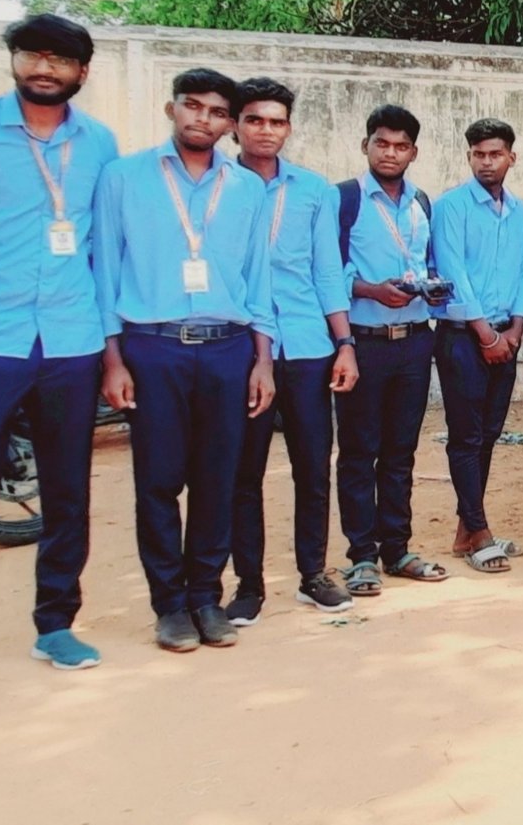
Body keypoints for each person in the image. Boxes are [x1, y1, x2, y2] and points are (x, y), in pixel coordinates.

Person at [0, 14, 117, 695]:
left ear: (81, 73)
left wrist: (110, 354)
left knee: (68, 490)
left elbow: (101, 251)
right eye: (33, 54)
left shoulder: (99, 143)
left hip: (71, 340)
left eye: (60, 59)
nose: (44, 67)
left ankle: (56, 623)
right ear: (14, 60)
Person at [92, 67, 276, 653]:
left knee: (218, 480)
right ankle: (169, 605)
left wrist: (262, 359)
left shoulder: (246, 188)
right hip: (153, 346)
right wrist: (112, 359)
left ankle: (205, 598)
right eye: (192, 106)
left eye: (217, 112)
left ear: (230, 124)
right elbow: (105, 270)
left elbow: (258, 279)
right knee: (159, 479)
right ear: (172, 109)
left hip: (228, 348)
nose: (204, 118)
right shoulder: (123, 178)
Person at [224, 77, 358, 626]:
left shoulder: (314, 190)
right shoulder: (219, 184)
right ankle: (249, 585)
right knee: (244, 471)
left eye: (276, 121)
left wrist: (344, 344)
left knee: (313, 466)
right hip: (240, 349)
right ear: (235, 125)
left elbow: (327, 271)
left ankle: (313, 574)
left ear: (289, 128)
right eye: (254, 120)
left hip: (306, 346)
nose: (266, 130)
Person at [335, 105, 449, 596]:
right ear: (366, 145)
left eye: (401, 146)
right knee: (359, 452)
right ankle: (362, 555)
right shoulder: (345, 199)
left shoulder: (421, 201)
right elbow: (329, 269)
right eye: (382, 143)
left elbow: (424, 262)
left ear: (413, 153)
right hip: (363, 342)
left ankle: (397, 548)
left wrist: (431, 287)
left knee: (401, 451)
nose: (390, 153)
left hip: (414, 341)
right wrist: (369, 290)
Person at [432, 118, 523, 574]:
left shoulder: (519, 212)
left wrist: (515, 330)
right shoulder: (451, 207)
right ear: (469, 156)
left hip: (505, 338)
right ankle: (480, 531)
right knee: (466, 436)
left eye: (495, 154)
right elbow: (452, 273)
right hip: (462, 338)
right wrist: (485, 335)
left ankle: (465, 530)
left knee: (489, 434)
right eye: (479, 155)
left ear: (512, 157)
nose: (487, 162)